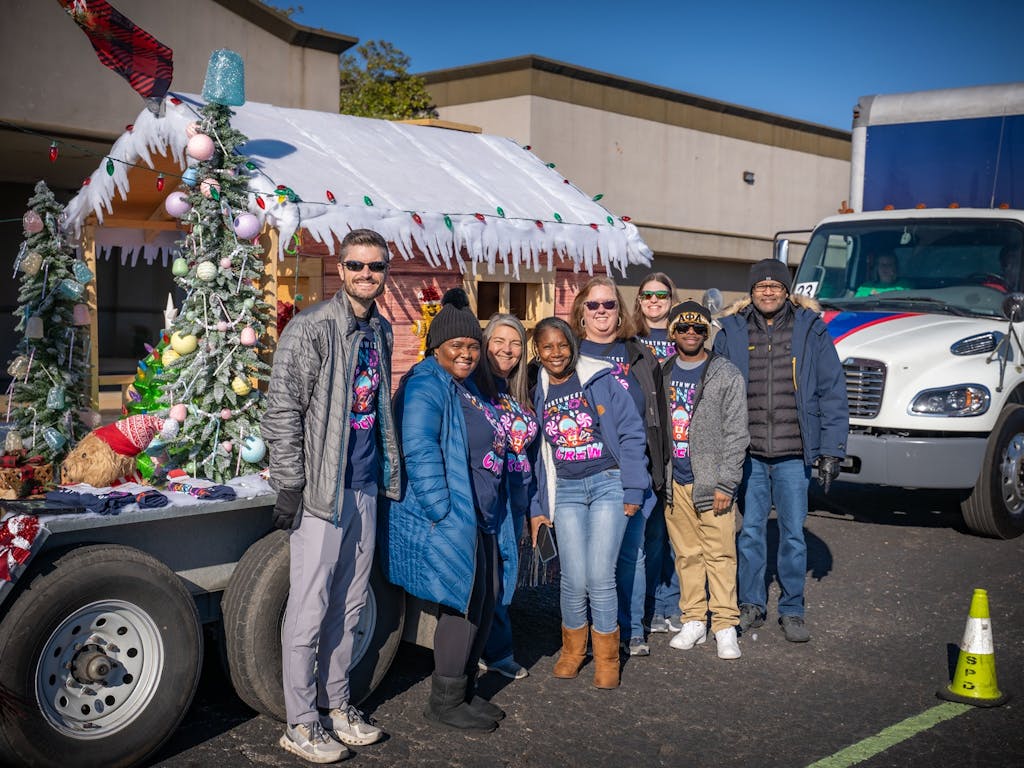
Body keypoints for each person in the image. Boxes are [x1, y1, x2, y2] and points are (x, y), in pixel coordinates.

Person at [263, 228, 401, 763]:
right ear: (340, 270)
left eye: (376, 266)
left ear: (384, 273)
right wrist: (290, 483)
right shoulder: (311, 328)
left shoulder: (382, 331)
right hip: (322, 492)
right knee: (310, 607)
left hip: (364, 487)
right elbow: (282, 410)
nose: (367, 274)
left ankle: (335, 704)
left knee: (350, 602)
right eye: (357, 265)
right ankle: (300, 723)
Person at [384, 289, 522, 732]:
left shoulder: (461, 384)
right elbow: (419, 447)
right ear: (436, 348)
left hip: (480, 515)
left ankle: (464, 691)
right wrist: (442, 509)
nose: (466, 353)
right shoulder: (426, 383)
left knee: (483, 599)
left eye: (472, 346)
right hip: (455, 515)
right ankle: (444, 702)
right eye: (456, 346)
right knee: (461, 606)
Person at [713, 259, 848, 643]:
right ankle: (751, 603)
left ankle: (792, 608)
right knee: (751, 534)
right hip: (749, 453)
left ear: (787, 291)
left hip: (793, 452)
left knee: (792, 535)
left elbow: (832, 389)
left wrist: (832, 450)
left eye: (775, 285)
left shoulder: (810, 329)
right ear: (751, 292)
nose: (768, 291)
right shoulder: (732, 331)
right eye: (761, 286)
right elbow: (716, 391)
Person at [529, 317, 650, 688]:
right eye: (547, 347)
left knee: (599, 575)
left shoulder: (601, 379)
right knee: (572, 577)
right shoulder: (538, 388)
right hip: (565, 489)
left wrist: (634, 487)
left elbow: (631, 431)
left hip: (607, 484)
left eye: (562, 345)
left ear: (572, 344)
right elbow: (538, 455)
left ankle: (607, 657)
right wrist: (538, 507)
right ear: (538, 352)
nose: (556, 353)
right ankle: (573, 650)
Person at [570, 276, 669, 657]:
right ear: (581, 311)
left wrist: (657, 468)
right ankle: (587, 631)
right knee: (587, 561)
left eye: (609, 304)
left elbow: (656, 414)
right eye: (593, 305)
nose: (601, 311)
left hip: (631, 469)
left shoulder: (637, 354)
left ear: (620, 310)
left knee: (632, 554)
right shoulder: (569, 352)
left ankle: (630, 629)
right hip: (584, 471)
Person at [660, 301, 749, 659]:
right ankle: (694, 619)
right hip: (675, 481)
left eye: (699, 328)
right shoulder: (663, 372)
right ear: (673, 332)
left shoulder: (725, 373)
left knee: (721, 555)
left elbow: (737, 433)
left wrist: (727, 483)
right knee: (686, 555)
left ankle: (725, 625)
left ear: (707, 332)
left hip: (713, 484)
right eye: (683, 328)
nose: (691, 334)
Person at [476, 313, 538, 681]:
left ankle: (492, 646)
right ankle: (494, 651)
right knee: (491, 577)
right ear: (485, 344)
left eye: (515, 343)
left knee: (508, 572)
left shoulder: (519, 393)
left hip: (517, 496)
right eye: (499, 341)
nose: (507, 350)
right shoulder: (474, 388)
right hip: (488, 496)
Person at [632, 272, 682, 636]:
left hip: (680, 442)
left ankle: (672, 604)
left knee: (677, 532)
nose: (654, 301)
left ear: (671, 299)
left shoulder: (685, 335)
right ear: (639, 300)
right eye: (647, 295)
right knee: (650, 532)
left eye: (661, 295)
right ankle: (649, 604)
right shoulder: (630, 340)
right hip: (647, 444)